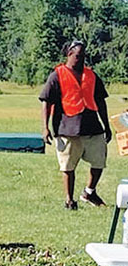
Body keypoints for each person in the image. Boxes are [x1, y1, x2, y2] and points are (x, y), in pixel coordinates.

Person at [40, 40, 112, 210]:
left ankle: (89, 192)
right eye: (78, 56)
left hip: (92, 127)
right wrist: (45, 127)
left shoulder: (92, 75)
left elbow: (101, 101)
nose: (81, 59)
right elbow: (46, 101)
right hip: (67, 128)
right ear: (69, 54)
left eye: (83, 56)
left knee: (99, 161)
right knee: (68, 166)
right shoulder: (57, 75)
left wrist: (106, 125)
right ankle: (69, 200)